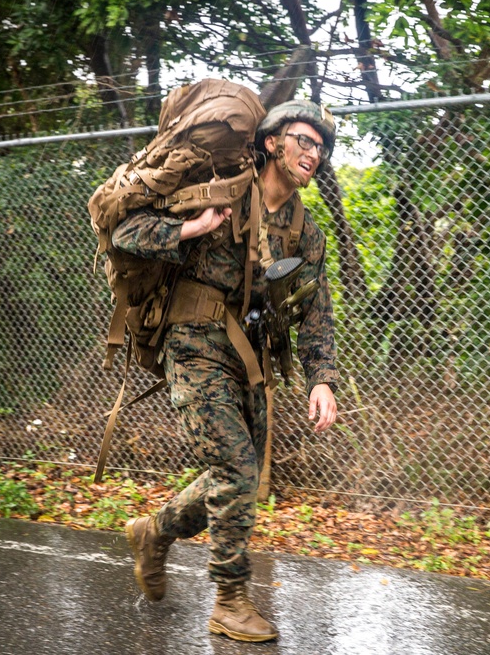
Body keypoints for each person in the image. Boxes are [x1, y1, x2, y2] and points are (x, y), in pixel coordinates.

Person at [118, 99, 340, 643]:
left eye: (320, 146)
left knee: (243, 478)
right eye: (302, 141)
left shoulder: (305, 232)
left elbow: (316, 310)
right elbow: (128, 232)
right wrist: (190, 228)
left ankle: (153, 533)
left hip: (249, 354)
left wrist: (322, 379)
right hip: (192, 341)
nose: (312, 153)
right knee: (237, 466)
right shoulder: (224, 189)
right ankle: (229, 600)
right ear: (272, 143)